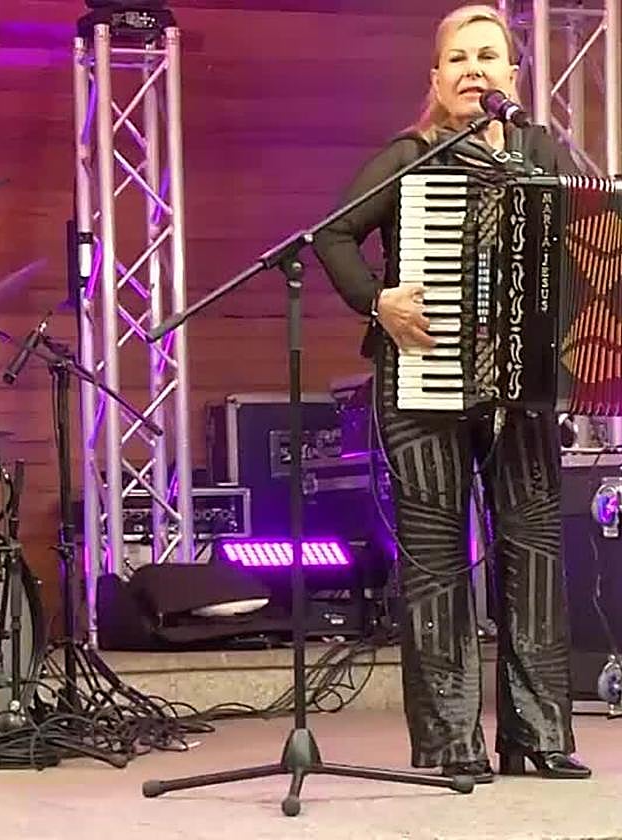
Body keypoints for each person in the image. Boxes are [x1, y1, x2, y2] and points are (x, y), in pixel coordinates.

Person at [313, 5, 591, 783]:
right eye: (458, 58)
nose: (474, 69)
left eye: (488, 56)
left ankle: (537, 735)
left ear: (513, 74)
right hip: (423, 376)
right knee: (436, 560)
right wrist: (377, 300)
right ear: (435, 79)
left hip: (523, 385)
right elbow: (333, 234)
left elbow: (588, 244)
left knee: (533, 551)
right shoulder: (411, 157)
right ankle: (449, 743)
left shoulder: (544, 154)